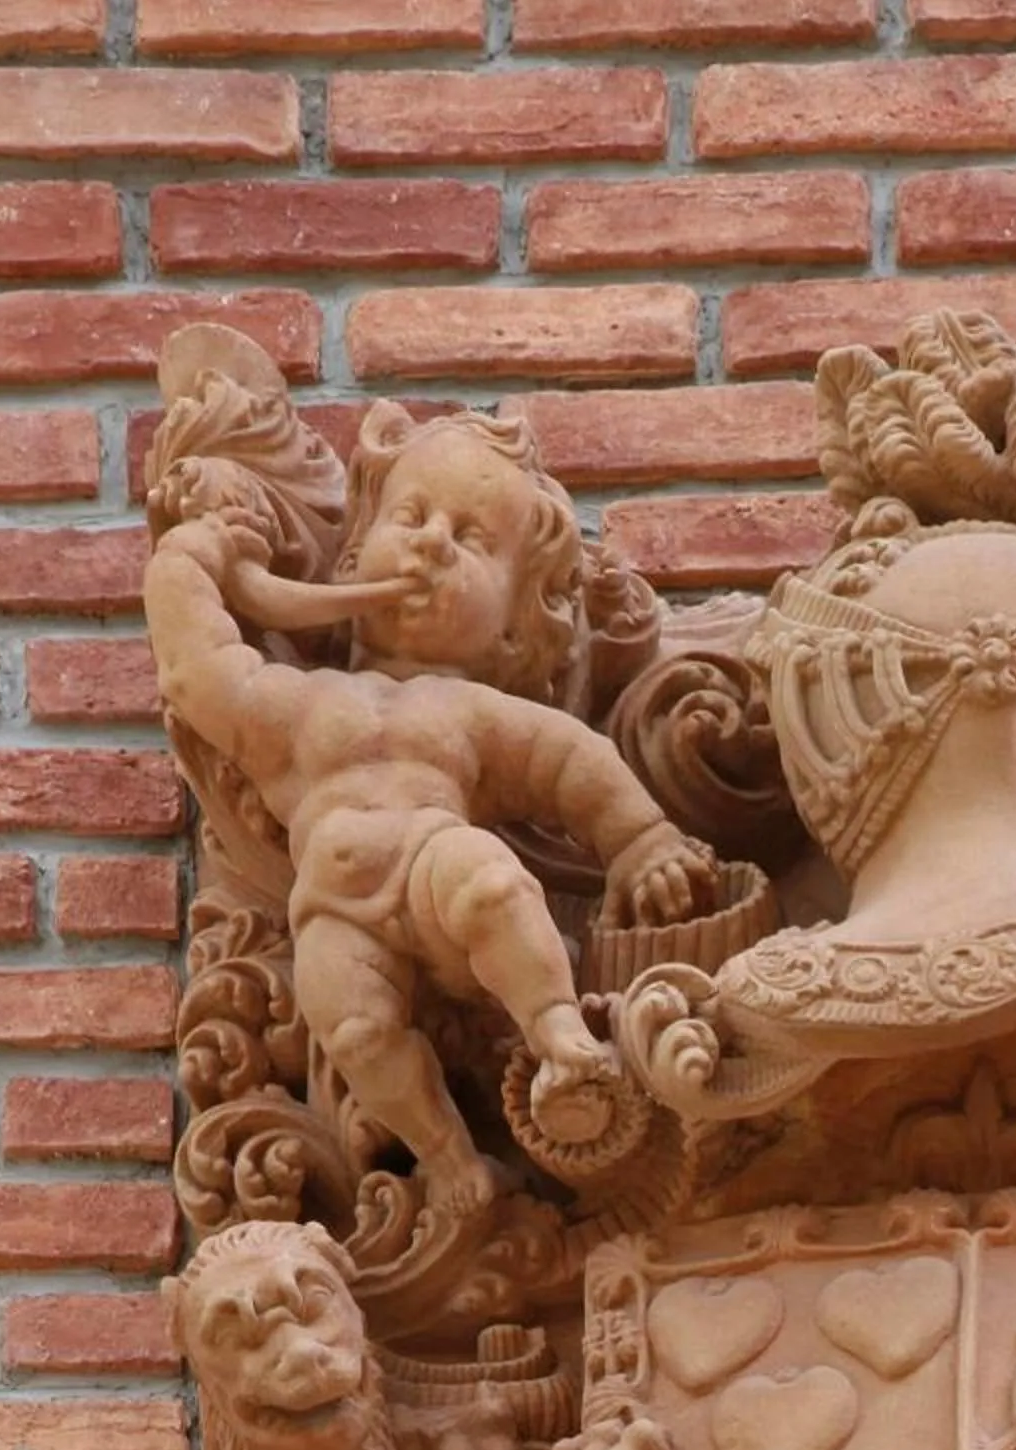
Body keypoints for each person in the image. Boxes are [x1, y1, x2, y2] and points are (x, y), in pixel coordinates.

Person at [146, 405, 717, 1215]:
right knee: (355, 1034)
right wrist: (192, 558)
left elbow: (569, 761)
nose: (431, 543)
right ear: (352, 554)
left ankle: (559, 1035)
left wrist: (639, 839)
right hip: (331, 911)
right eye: (411, 516)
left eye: (472, 540)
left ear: (517, 629)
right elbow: (197, 672)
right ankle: (452, 1161)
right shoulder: (298, 706)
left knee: (494, 888)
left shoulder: (467, 712)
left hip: (430, 863)